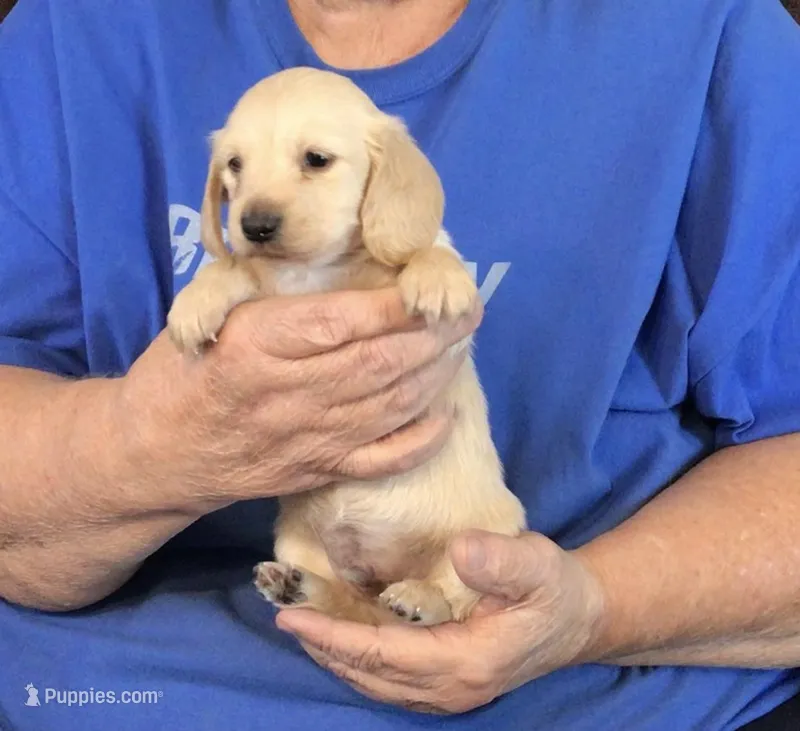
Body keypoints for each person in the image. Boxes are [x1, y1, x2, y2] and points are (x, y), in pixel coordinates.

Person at [1, 0, 800, 729]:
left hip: (567, 696)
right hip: (112, 693)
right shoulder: (73, 29)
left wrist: (588, 612)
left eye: (315, 161)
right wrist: (149, 446)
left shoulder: (707, 33)